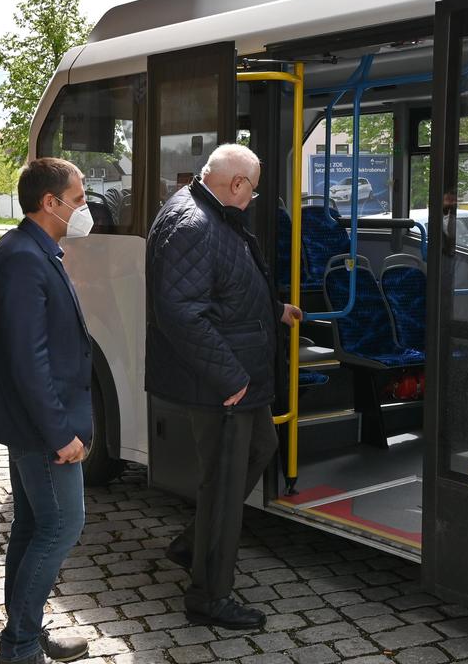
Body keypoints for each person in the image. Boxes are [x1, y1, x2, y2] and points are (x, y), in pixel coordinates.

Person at [145, 144, 301, 631]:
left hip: (235, 379)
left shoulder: (205, 213)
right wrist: (229, 377)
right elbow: (182, 312)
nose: (253, 199)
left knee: (263, 446)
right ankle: (209, 598)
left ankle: (193, 545)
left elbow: (221, 289)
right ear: (236, 184)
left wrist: (274, 310)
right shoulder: (193, 223)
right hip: (224, 385)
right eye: (252, 190)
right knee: (225, 485)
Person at [0, 158, 94, 664]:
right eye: (79, 196)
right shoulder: (23, 256)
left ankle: (25, 631)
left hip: (36, 421)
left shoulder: (33, 248)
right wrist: (59, 432)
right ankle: (19, 647)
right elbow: (28, 357)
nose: (85, 205)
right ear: (51, 202)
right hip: (42, 426)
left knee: (31, 525)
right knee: (63, 526)